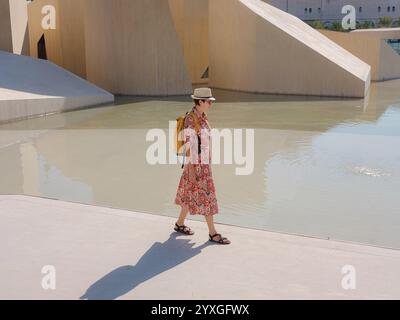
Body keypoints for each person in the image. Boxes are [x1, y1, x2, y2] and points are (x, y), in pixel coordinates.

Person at [174, 88, 231, 245]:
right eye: (208, 101)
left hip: (203, 165)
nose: (210, 104)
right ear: (199, 102)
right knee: (208, 197)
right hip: (197, 167)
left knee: (188, 195)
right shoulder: (191, 120)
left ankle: (179, 224)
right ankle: (212, 233)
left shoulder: (203, 118)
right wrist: (194, 168)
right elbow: (187, 145)